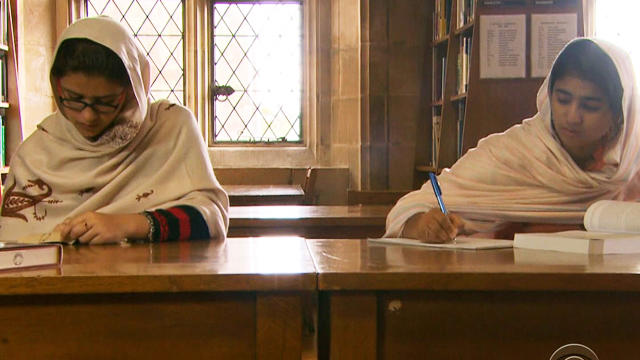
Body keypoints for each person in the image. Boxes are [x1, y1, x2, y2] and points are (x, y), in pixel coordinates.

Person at [385, 37, 640, 243]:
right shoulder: (512, 153)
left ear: (619, 114)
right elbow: (407, 209)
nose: (573, 116)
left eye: (590, 106)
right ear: (549, 97)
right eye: (562, 100)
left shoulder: (632, 163)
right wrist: (423, 225)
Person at [0, 16, 229, 244]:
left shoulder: (170, 126)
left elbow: (212, 219)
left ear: (132, 91)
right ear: (57, 87)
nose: (88, 116)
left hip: (154, 277)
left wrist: (128, 224)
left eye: (105, 101)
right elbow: (13, 250)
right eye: (74, 99)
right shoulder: (34, 154)